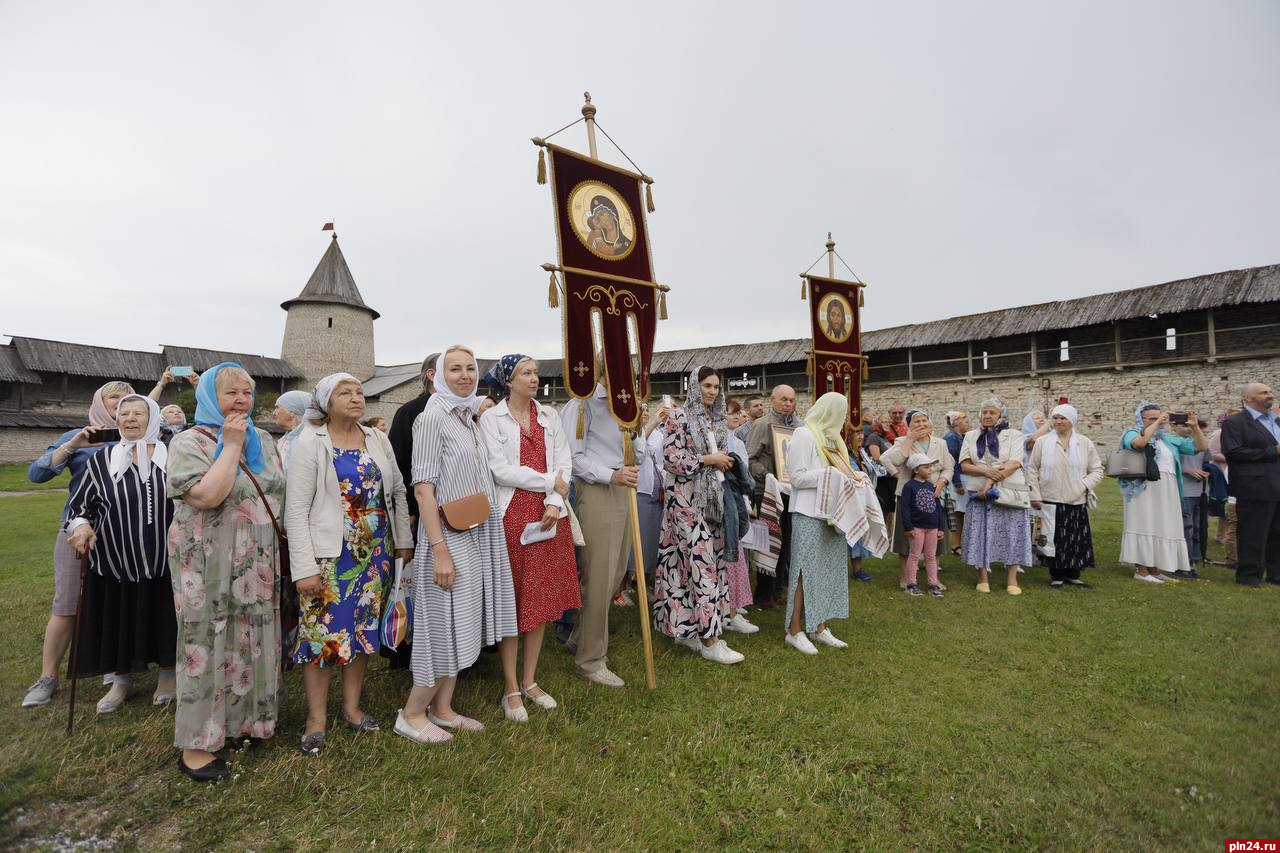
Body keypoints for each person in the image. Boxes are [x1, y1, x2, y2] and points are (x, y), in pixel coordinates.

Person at [166, 362, 286, 782]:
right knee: (207, 641)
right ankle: (197, 744)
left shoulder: (266, 440)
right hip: (207, 562)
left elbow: (277, 493)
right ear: (207, 400)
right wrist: (231, 444)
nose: (240, 401)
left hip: (256, 560)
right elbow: (208, 494)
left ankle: (240, 726)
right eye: (230, 393)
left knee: (250, 638)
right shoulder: (188, 442)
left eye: (246, 394)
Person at [285, 373, 412, 754]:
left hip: (375, 555)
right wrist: (304, 567)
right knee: (322, 639)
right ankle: (316, 720)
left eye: (359, 392)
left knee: (361, 633)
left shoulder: (375, 438)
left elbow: (398, 491)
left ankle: (353, 709)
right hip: (330, 559)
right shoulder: (310, 442)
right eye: (345, 393)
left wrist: (403, 541)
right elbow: (295, 509)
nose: (356, 398)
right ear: (325, 401)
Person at [396, 347, 518, 743]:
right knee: (441, 628)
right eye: (455, 368)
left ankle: (443, 708)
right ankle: (412, 713)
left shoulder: (465, 417)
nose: (464, 375)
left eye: (470, 368)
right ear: (437, 374)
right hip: (447, 536)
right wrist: (439, 550)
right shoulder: (432, 418)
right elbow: (424, 490)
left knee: (460, 624)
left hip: (475, 532)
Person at [22, 381, 135, 709]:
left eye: (126, 398)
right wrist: (73, 444)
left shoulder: (140, 438)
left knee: (116, 602)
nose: (120, 403)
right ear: (100, 403)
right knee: (67, 604)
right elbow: (37, 475)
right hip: (78, 530)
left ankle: (115, 670)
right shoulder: (79, 436)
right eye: (113, 397)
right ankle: (49, 677)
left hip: (123, 532)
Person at [479, 355, 580, 721]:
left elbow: (564, 461)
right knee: (514, 601)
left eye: (536, 372)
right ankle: (509, 687)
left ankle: (530, 679)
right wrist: (547, 481)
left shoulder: (549, 416)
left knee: (540, 599)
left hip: (550, 515)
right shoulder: (492, 419)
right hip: (513, 514)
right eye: (526, 372)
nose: (534, 378)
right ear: (509, 380)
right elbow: (498, 469)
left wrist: (555, 499)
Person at [63, 394, 177, 712]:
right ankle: (121, 681)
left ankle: (169, 675)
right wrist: (81, 528)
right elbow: (79, 508)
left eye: (138, 413)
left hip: (168, 561)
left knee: (166, 617)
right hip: (117, 560)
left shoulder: (174, 456)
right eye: (124, 413)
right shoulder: (101, 460)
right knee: (121, 620)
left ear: (152, 418)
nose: (129, 418)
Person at [559, 374, 649, 688]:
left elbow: (641, 454)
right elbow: (572, 457)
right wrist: (610, 475)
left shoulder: (625, 405)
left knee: (613, 574)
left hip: (625, 489)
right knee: (598, 575)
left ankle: (582, 637)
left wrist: (635, 431)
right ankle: (590, 661)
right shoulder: (582, 404)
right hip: (598, 489)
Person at [651, 367, 745, 665]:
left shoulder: (715, 419)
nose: (712, 391)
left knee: (700, 564)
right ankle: (710, 639)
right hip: (686, 501)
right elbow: (671, 459)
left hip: (712, 501)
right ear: (694, 386)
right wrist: (709, 460)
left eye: (716, 386)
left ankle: (687, 629)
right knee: (699, 564)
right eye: (707, 385)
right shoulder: (679, 417)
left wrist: (725, 462)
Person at [783, 392, 854, 655]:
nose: (842, 419)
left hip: (832, 514)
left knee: (827, 570)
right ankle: (794, 629)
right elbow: (797, 478)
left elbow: (841, 470)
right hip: (808, 513)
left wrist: (852, 477)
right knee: (804, 571)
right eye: (840, 413)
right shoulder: (804, 434)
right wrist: (831, 474)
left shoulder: (834, 439)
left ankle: (819, 626)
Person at [1118, 402, 1206, 583]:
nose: (1158, 420)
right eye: (1151, 418)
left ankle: (1155, 569)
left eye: (1159, 417)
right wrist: (1156, 423)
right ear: (1140, 419)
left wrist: (1195, 426)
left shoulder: (1166, 438)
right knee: (1144, 523)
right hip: (1142, 488)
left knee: (1161, 524)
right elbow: (1140, 443)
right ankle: (1141, 570)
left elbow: (1200, 447)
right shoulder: (1132, 432)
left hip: (1167, 487)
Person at [958, 398, 1031, 595]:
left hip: (1009, 490)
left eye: (992, 412)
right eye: (985, 412)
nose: (988, 416)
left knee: (1012, 532)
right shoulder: (971, 435)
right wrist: (988, 472)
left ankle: (1012, 578)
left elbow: (1015, 463)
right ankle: (983, 576)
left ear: (1001, 415)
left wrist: (990, 480)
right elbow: (965, 464)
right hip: (979, 493)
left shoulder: (1015, 435)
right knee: (982, 531)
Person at [1026, 404, 1104, 587]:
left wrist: (1083, 485)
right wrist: (1035, 495)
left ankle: (1073, 573)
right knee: (1054, 538)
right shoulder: (1043, 442)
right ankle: (1057, 575)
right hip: (1049, 498)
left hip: (1075, 499)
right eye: (1056, 417)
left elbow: (1097, 469)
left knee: (1075, 537)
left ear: (1072, 420)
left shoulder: (1084, 443)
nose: (1059, 421)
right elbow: (1032, 469)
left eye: (1063, 418)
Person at [881, 408, 954, 586]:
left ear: (930, 422)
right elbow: (895, 460)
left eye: (924, 421)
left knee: (935, 537)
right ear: (909, 426)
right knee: (907, 538)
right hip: (909, 496)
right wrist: (910, 439)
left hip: (934, 496)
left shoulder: (940, 443)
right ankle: (905, 577)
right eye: (916, 422)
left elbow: (948, 466)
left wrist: (942, 481)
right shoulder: (901, 441)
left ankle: (934, 578)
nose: (921, 425)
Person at [1220, 383, 1280, 587]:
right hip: (1255, 487)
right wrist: (1273, 451)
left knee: (1277, 534)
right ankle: (1249, 576)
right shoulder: (1235, 423)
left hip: (1277, 484)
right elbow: (1233, 453)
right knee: (1253, 534)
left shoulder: (1276, 421)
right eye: (1264, 392)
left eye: (1270, 392)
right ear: (1248, 398)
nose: (1269, 395)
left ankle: (1276, 574)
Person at [746, 384, 800, 607]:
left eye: (792, 400)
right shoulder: (761, 425)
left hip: (791, 492)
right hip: (767, 490)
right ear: (773, 399)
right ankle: (763, 592)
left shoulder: (798, 427)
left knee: (786, 541)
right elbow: (749, 460)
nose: (788, 404)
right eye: (784, 399)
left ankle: (779, 589)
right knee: (768, 542)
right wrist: (768, 475)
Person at [898, 453, 945, 597]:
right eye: (926, 467)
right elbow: (904, 508)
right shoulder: (909, 486)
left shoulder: (932, 486)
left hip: (932, 528)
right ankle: (911, 584)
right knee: (914, 556)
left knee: (931, 557)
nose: (930, 470)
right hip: (916, 528)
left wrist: (941, 527)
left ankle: (933, 584)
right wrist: (908, 527)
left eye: (931, 467)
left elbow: (938, 507)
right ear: (916, 470)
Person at [1175, 417, 1212, 571]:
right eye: (1184, 425)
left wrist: (1207, 472)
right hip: (1184, 490)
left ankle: (1196, 557)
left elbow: (1207, 462)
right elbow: (1169, 465)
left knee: (1199, 527)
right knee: (1187, 527)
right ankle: (1186, 560)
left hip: (1201, 491)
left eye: (1192, 426)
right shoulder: (1174, 443)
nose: (1189, 429)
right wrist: (1188, 470)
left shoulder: (1201, 444)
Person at [943, 411, 971, 554]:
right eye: (966, 422)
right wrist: (958, 483)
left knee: (961, 512)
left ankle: (959, 543)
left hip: (963, 478)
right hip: (958, 479)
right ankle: (956, 544)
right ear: (958, 422)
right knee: (958, 512)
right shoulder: (951, 438)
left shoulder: (961, 437)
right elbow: (951, 462)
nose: (968, 424)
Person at [273, 389, 312, 472]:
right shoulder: (284, 440)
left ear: (292, 412)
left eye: (277, 407)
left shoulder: (306, 441)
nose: (273, 413)